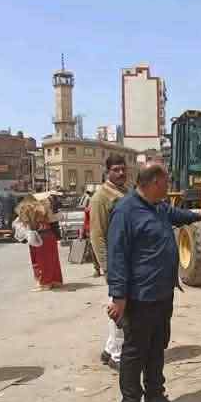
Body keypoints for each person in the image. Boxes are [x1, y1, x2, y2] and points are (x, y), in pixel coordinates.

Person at [107, 164, 201, 402]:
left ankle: (155, 396)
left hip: (163, 293)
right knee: (135, 351)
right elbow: (117, 255)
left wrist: (200, 214)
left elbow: (179, 215)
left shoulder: (159, 207)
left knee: (156, 347)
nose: (169, 187)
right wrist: (118, 296)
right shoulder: (126, 211)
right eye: (166, 182)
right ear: (154, 182)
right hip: (139, 296)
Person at [91, 154, 129, 370]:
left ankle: (109, 349)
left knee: (124, 305)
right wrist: (106, 267)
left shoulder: (127, 192)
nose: (121, 173)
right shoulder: (101, 198)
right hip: (116, 263)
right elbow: (97, 236)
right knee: (120, 309)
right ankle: (117, 356)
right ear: (107, 172)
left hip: (129, 261)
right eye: (116, 169)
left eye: (123, 169)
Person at [16, 196, 64, 291]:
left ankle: (45, 283)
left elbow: (29, 224)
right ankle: (55, 281)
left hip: (39, 238)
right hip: (50, 236)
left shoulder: (31, 209)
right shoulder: (47, 209)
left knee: (41, 261)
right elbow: (53, 219)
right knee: (52, 260)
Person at [82, 192, 101, 278]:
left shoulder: (101, 205)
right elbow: (86, 221)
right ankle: (97, 269)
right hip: (91, 231)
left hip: (102, 230)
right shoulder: (88, 209)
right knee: (93, 251)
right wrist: (83, 232)